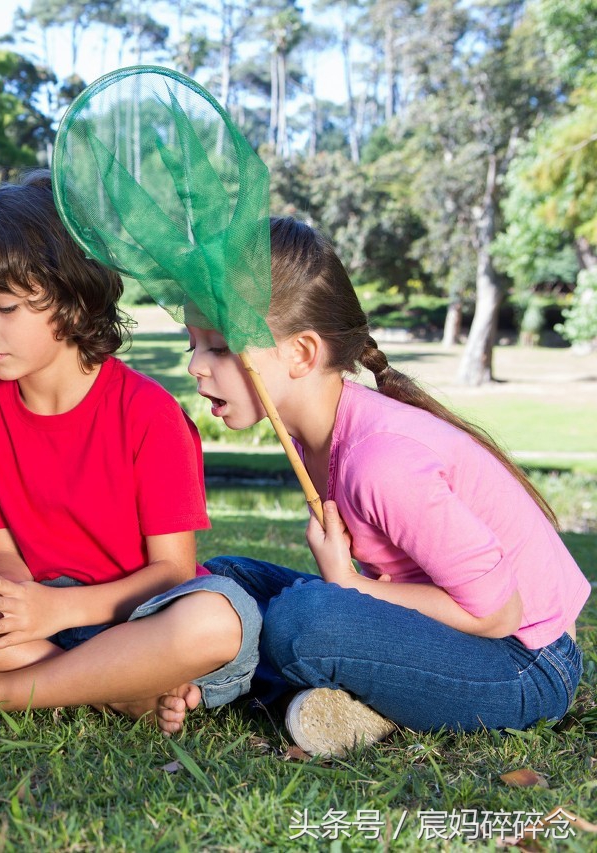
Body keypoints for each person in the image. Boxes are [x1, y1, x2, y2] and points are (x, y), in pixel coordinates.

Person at [192, 216, 589, 756]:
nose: (195, 366)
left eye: (217, 348)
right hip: (458, 637)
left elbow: (496, 614)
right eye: (194, 344)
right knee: (225, 577)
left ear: (301, 354)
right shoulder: (310, 431)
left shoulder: (380, 463)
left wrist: (350, 586)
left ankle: (236, 677)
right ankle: (355, 700)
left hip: (525, 664)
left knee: (302, 623)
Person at [0, 169, 261, 735]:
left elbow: (170, 572)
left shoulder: (148, 413)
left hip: (143, 618)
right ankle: (108, 687)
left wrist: (55, 611)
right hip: (43, 619)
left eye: (4, 308)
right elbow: (2, 552)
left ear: (72, 298)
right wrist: (13, 598)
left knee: (220, 616)